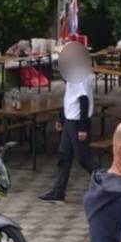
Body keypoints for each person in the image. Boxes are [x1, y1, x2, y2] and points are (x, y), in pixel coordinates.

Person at [41, 43, 96, 202]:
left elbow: (83, 101)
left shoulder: (80, 75)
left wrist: (83, 128)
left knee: (84, 159)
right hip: (70, 122)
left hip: (78, 123)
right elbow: (70, 100)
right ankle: (58, 192)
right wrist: (62, 118)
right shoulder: (73, 73)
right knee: (64, 156)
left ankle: (108, 183)